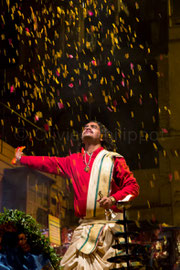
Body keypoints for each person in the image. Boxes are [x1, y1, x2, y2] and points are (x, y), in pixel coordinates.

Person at [14, 121, 139, 269]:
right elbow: (49, 163)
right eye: (86, 127)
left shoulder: (113, 159)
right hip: (84, 230)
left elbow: (133, 188)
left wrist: (113, 199)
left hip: (108, 231)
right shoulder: (73, 161)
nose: (88, 128)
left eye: (93, 127)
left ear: (101, 137)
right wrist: (23, 159)